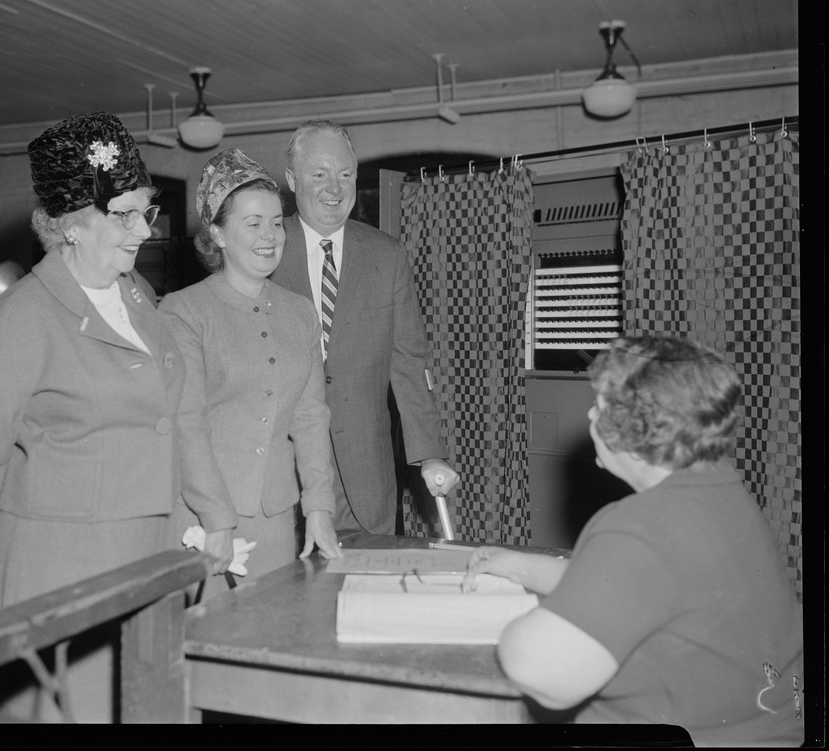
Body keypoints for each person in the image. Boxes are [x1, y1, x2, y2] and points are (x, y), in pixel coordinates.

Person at [0, 112, 186, 722]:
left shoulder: (137, 297)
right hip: (62, 564)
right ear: (71, 226)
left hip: (145, 550)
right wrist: (16, 540)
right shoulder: (22, 318)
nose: (143, 231)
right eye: (122, 215)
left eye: (145, 210)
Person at [463, 336, 805, 746]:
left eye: (602, 406)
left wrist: (500, 626)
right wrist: (514, 564)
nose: (590, 413)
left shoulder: (638, 526)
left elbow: (544, 674)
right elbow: (631, 587)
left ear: (634, 428)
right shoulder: (718, 486)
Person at [158, 147, 341, 601]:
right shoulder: (183, 312)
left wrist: (318, 506)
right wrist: (216, 519)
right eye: (253, 223)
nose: (270, 236)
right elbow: (186, 423)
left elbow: (311, 417)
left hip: (276, 521)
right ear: (218, 234)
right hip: (202, 522)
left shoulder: (300, 313)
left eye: (277, 222)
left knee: (272, 644)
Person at [268, 120, 458, 536]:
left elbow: (409, 361)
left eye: (345, 174)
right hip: (283, 476)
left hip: (365, 479)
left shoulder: (387, 255)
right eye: (319, 174)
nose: (334, 189)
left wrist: (430, 455)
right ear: (291, 180)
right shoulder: (266, 250)